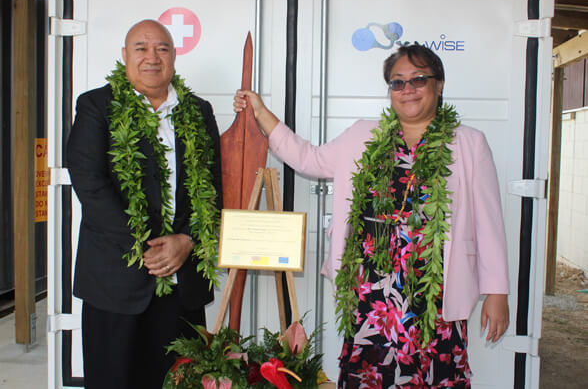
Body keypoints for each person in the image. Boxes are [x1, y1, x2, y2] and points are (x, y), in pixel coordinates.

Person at [234, 44, 509, 388]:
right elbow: (309, 159)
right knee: (371, 376)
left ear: (439, 85)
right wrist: (261, 113)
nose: (407, 89)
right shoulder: (363, 135)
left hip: (436, 294)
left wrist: (497, 292)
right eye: (398, 82)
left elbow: (488, 222)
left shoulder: (469, 143)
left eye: (418, 79)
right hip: (371, 291)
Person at [67, 19, 222, 389]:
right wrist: (149, 245)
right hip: (115, 281)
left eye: (162, 48)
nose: (152, 57)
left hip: (182, 280)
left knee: (179, 381)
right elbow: (90, 184)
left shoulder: (198, 111)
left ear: (173, 57)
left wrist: (187, 240)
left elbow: (214, 187)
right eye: (141, 48)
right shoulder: (96, 106)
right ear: (125, 55)